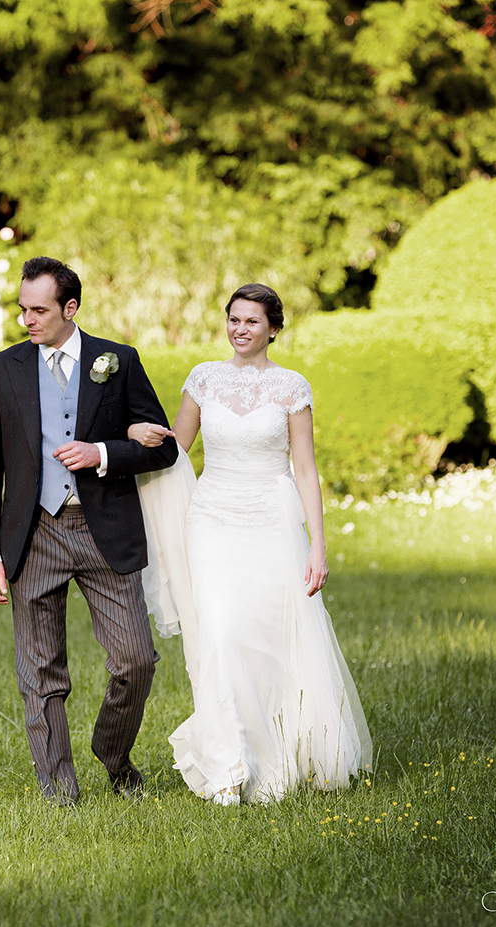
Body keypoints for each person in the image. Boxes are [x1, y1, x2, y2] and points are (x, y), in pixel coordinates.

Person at [128, 283, 372, 806]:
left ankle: (277, 747)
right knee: (219, 634)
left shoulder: (292, 387)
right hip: (211, 519)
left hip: (271, 518)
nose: (240, 330)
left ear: (273, 330)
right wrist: (134, 434)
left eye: (252, 322)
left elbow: (305, 469)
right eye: (234, 320)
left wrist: (317, 546)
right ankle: (227, 767)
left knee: (268, 638)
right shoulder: (204, 378)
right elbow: (177, 447)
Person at [0, 256, 180, 805]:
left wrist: (104, 452)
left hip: (103, 529)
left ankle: (112, 755)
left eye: (38, 310)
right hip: (32, 533)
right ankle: (60, 792)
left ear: (70, 308)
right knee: (40, 672)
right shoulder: (3, 368)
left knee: (136, 659)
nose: (27, 320)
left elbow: (165, 447)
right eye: (22, 309)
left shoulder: (119, 360)